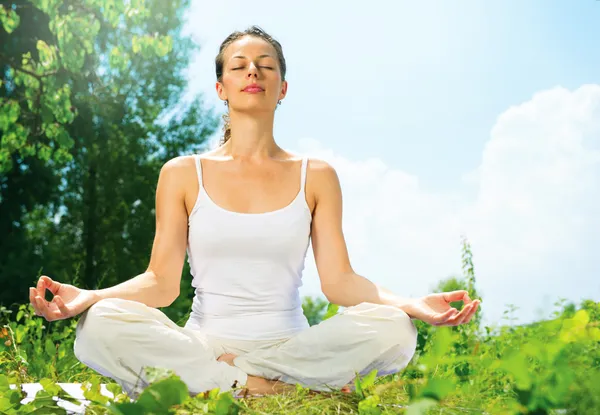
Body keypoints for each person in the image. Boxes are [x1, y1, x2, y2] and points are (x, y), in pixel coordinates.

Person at [28, 25, 480, 399]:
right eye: (239, 66)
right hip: (204, 341)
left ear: (282, 88)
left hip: (290, 344)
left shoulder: (316, 174)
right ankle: (276, 391)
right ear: (221, 87)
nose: (253, 73)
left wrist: (412, 304)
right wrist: (90, 296)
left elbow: (341, 283)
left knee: (396, 328)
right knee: (101, 323)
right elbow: (161, 285)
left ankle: (228, 381)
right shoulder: (183, 173)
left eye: (266, 67)